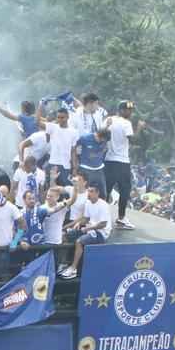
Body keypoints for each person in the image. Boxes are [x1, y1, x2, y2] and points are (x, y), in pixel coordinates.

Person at [58, 183, 109, 279]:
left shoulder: (103, 205)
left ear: (97, 193)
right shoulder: (88, 203)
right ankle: (63, 263)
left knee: (79, 241)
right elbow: (86, 218)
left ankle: (73, 268)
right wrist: (78, 224)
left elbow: (103, 224)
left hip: (101, 233)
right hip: (88, 229)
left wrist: (88, 228)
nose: (89, 193)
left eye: (92, 191)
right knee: (65, 235)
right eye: (88, 191)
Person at [104, 100, 140, 229]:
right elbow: (133, 140)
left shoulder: (109, 120)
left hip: (108, 160)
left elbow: (103, 134)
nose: (130, 112)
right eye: (127, 110)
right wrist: (139, 128)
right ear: (121, 110)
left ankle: (101, 218)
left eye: (130, 110)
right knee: (125, 190)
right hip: (122, 161)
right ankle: (121, 218)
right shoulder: (126, 123)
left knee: (106, 190)